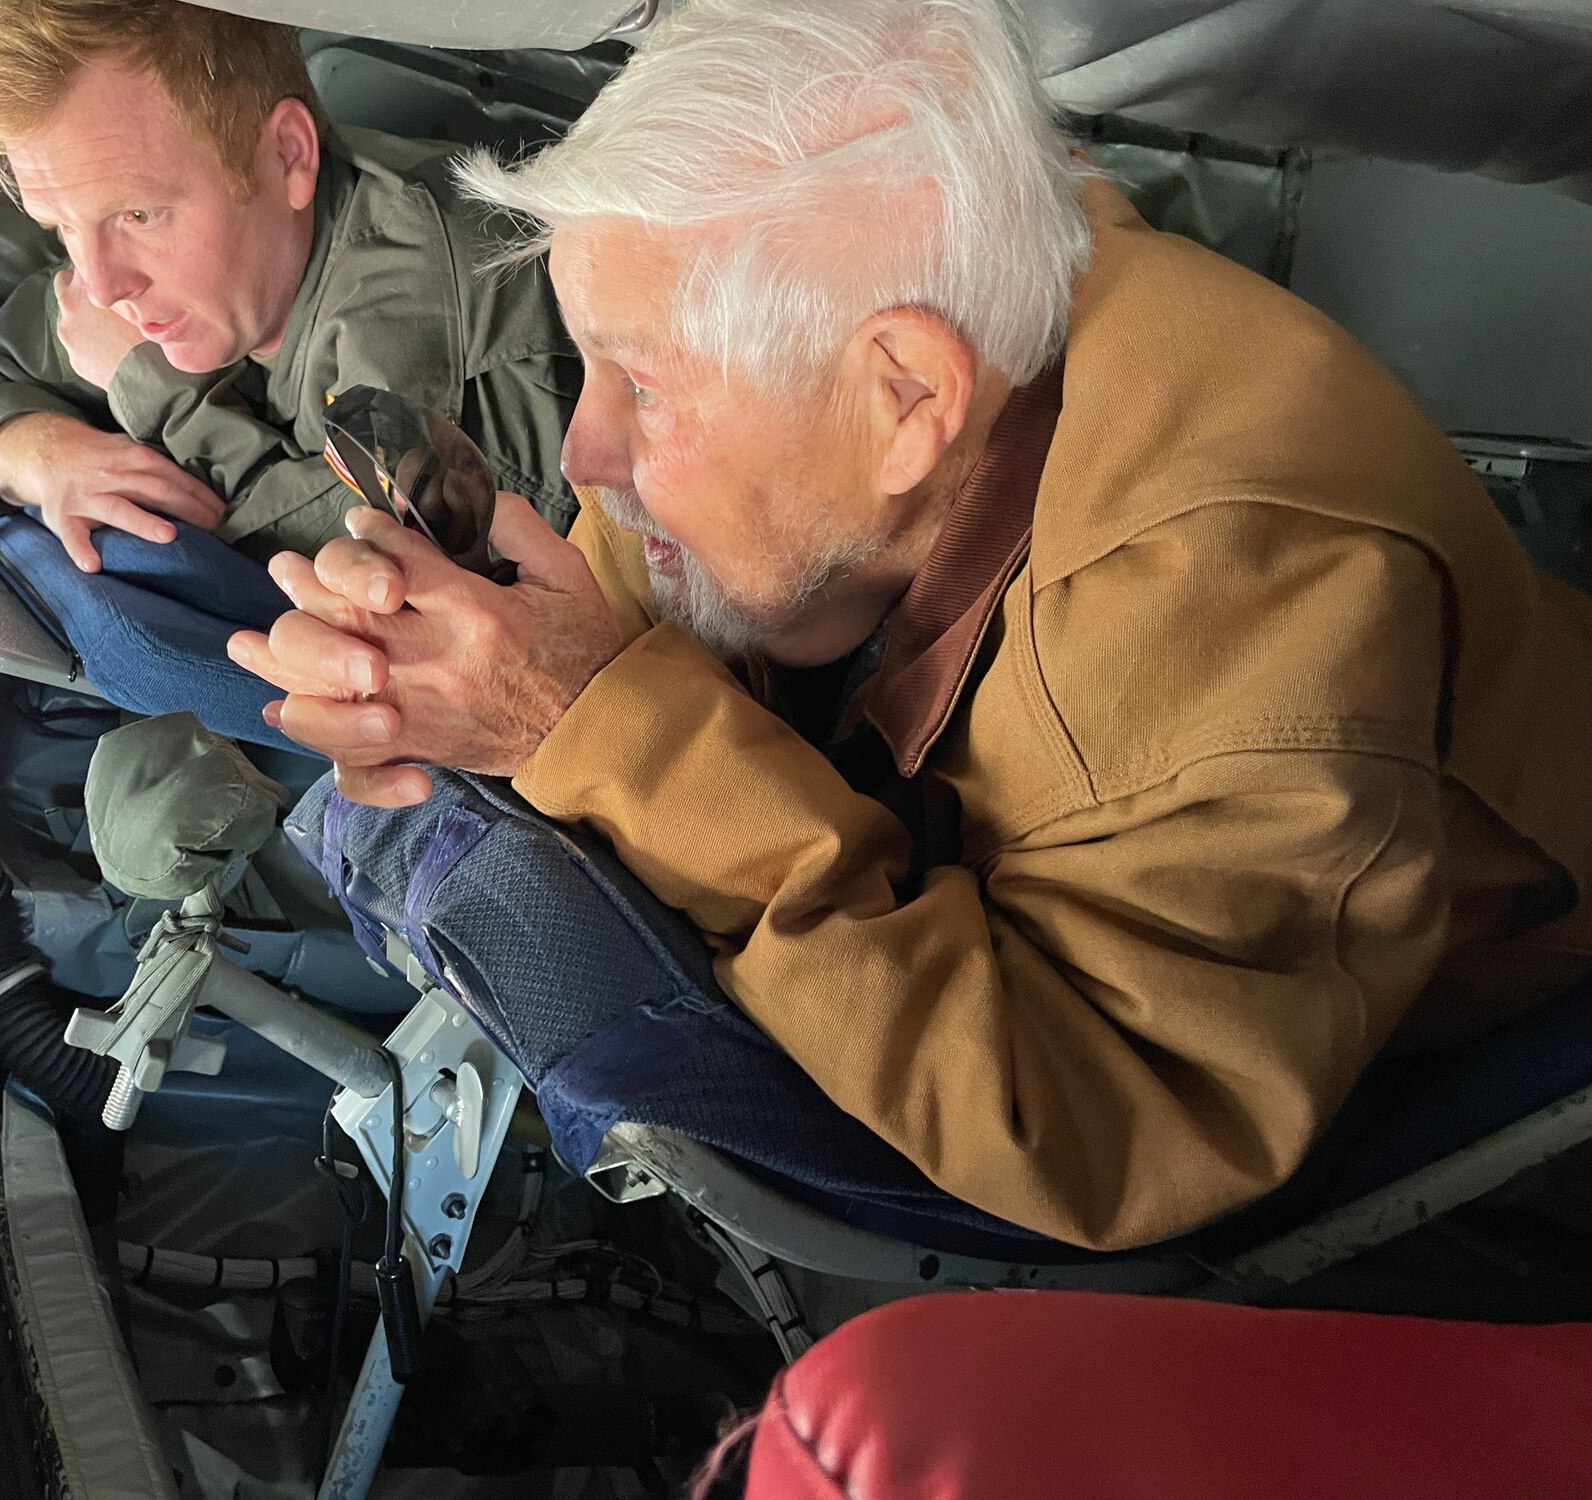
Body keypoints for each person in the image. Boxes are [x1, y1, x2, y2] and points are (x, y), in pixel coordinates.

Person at [232, 0, 1592, 1250]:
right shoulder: (919, 294)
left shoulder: (1251, 607)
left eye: (639, 383)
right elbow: (606, 633)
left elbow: (1104, 1134)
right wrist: (441, 670)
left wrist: (599, 734)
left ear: (905, 402)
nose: (584, 451)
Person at [0, 0, 579, 572]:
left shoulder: (415, 291)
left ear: (288, 156)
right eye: (60, 226)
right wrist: (40, 453)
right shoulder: (145, 264)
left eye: (140, 215)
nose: (102, 286)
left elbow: (362, 565)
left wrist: (156, 387)